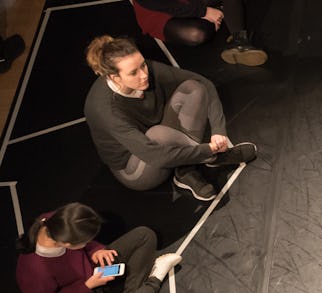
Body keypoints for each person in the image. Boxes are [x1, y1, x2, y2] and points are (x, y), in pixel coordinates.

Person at [83, 35, 258, 201]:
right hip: (136, 168)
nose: (144, 74)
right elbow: (156, 156)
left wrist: (219, 131)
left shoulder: (144, 70)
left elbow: (204, 82)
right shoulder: (105, 109)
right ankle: (217, 157)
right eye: (134, 73)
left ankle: (185, 171)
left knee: (193, 89)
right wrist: (210, 151)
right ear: (115, 78)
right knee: (159, 135)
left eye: (143, 65)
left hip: (160, 137)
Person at [15, 203, 182, 293]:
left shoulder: (55, 222)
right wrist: (87, 286)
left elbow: (85, 244)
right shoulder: (34, 272)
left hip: (89, 270)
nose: (88, 243)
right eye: (86, 241)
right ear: (67, 244)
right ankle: (155, 277)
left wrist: (96, 250)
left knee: (144, 235)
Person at [130, 0, 267, 66]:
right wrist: (203, 12)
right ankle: (217, 13)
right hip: (159, 11)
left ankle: (239, 41)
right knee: (197, 34)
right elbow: (157, 4)